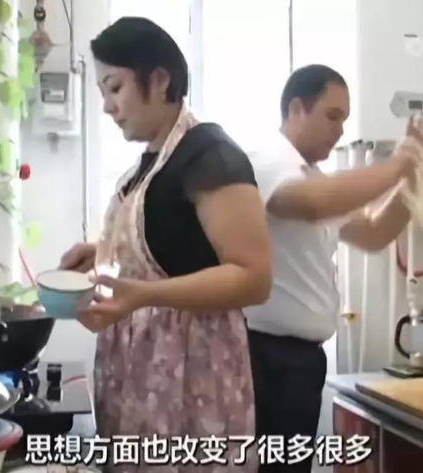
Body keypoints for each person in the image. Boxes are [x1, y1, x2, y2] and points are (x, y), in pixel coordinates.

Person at [58, 17, 272, 472]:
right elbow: (174, 242)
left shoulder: (210, 155)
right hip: (141, 374)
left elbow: (253, 278)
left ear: (159, 81)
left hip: (194, 372)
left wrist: (142, 295)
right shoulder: (149, 163)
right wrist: (103, 251)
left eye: (115, 88)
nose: (107, 107)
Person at [244, 64, 423, 472]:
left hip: (299, 362)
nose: (340, 130)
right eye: (332, 116)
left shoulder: (312, 177)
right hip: (265, 358)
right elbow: (312, 203)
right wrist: (396, 165)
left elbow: (374, 233)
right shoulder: (268, 161)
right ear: (296, 109)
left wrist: (413, 177)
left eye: (344, 119)